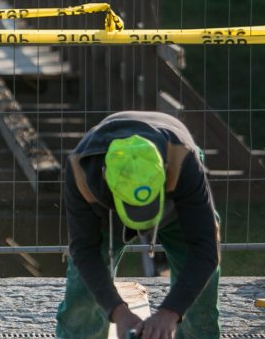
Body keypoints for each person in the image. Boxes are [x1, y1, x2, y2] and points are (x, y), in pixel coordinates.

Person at [56, 111, 220, 339]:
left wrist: (170, 313)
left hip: (175, 205)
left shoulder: (183, 159)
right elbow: (85, 250)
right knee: (83, 295)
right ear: (105, 177)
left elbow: (205, 248)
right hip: (106, 212)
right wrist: (118, 311)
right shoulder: (80, 171)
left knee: (199, 296)